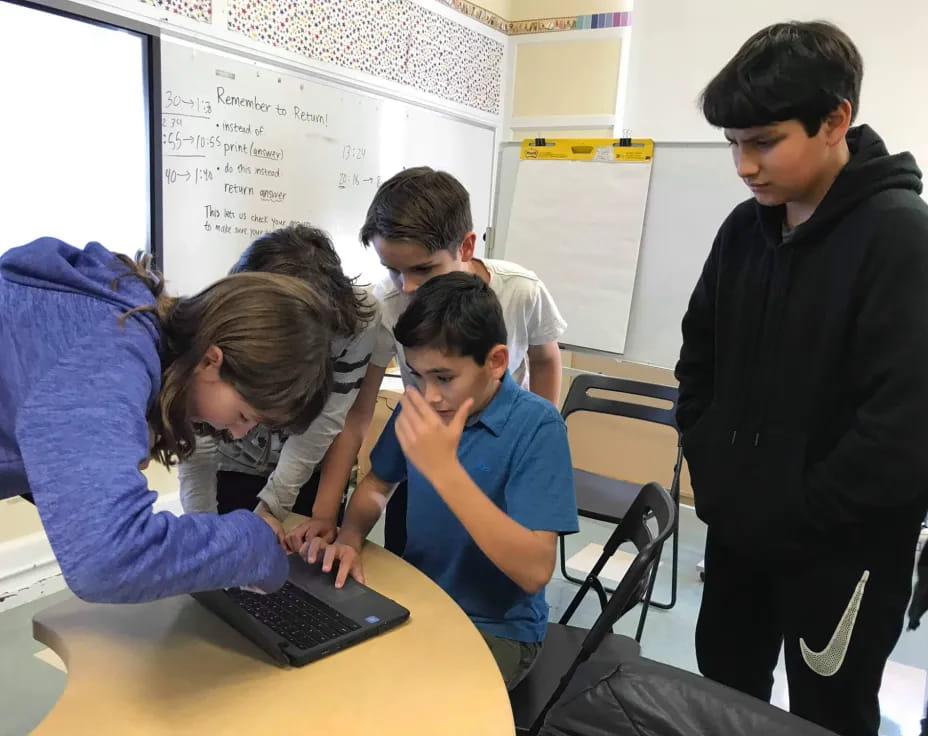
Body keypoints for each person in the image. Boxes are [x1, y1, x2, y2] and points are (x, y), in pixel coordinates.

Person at [676, 21, 928, 736]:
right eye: (733, 143)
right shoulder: (743, 229)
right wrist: (714, 465)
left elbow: (903, 430)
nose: (744, 165)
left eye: (763, 141)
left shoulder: (902, 236)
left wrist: (794, 513)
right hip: (738, 534)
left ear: (835, 120)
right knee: (723, 697)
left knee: (828, 714)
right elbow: (700, 359)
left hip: (841, 556)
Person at [0, 236, 334, 602]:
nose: (238, 433)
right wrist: (250, 545)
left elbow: (27, 416)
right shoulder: (111, 354)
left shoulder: (117, 318)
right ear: (211, 360)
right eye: (243, 415)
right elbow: (108, 562)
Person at [302, 273, 577, 689]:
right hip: (420, 599)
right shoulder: (422, 408)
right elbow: (378, 485)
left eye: (444, 377)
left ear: (497, 362)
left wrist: (445, 472)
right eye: (417, 375)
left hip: (496, 629)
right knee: (327, 668)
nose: (428, 395)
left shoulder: (538, 427)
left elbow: (535, 570)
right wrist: (350, 538)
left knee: (400, 699)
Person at [339, 165, 566, 556]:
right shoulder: (388, 305)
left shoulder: (521, 291)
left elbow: (545, 361)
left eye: (423, 268)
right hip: (422, 447)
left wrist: (536, 440)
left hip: (500, 449)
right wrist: (335, 522)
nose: (407, 286)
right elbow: (362, 411)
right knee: (416, 554)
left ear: (465, 247)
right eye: (392, 270)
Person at [179, 225, 386, 549]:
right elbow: (200, 431)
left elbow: (328, 421)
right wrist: (204, 530)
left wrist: (273, 506)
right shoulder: (224, 319)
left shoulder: (355, 321)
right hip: (233, 466)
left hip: (302, 470)